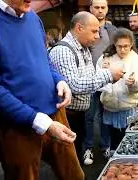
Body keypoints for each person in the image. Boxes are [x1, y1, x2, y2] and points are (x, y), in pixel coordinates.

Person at [0, 0, 85, 179]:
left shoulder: (33, 18)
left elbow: (45, 60)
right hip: (17, 126)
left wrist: (59, 80)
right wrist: (40, 122)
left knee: (74, 175)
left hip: (56, 113)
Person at [49, 11, 124, 165]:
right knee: (67, 163)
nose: (98, 36)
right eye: (94, 31)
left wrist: (105, 71)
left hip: (78, 114)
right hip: (66, 116)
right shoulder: (63, 50)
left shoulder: (83, 48)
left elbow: (89, 77)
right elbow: (74, 85)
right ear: (79, 28)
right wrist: (109, 75)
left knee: (74, 157)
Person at [97, 28, 138, 158]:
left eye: (126, 46)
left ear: (131, 45)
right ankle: (112, 155)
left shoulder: (137, 60)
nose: (123, 50)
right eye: (119, 46)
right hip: (110, 105)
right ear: (114, 44)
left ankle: (128, 159)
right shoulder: (105, 58)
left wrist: (133, 83)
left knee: (128, 136)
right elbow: (97, 80)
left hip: (128, 106)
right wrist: (105, 74)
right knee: (112, 134)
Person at [83, 0, 117, 165]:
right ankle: (88, 148)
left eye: (103, 7)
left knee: (106, 116)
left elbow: (120, 51)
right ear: (90, 9)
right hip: (89, 80)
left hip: (106, 81)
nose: (100, 10)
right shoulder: (83, 28)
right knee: (89, 116)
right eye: (96, 7)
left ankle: (105, 146)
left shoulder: (112, 30)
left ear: (107, 9)